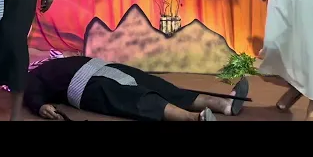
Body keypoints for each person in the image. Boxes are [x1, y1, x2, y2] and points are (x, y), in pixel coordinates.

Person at [23, 55, 250, 121]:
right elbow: (31, 93)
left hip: (102, 67)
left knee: (160, 86)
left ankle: (223, 104)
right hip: (86, 86)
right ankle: (192, 118)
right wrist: (40, 106)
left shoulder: (48, 57)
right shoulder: (29, 76)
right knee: (136, 97)